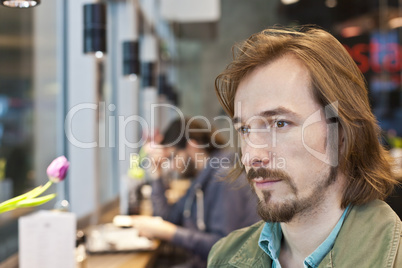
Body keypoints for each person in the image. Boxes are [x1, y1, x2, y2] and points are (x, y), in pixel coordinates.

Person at [207, 26, 402, 267]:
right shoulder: (223, 257)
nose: (252, 156)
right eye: (245, 130)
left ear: (342, 133)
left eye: (280, 123)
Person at [131, 117, 260, 268]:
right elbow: (168, 217)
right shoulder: (201, 181)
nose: (171, 167)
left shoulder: (225, 177)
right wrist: (157, 174)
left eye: (173, 157)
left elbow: (225, 247)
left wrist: (170, 233)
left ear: (192, 146)